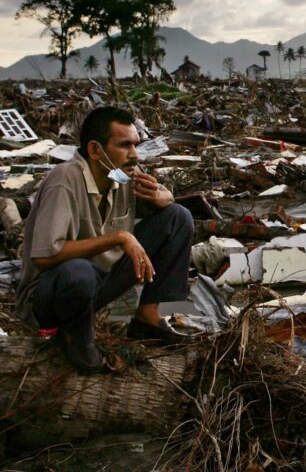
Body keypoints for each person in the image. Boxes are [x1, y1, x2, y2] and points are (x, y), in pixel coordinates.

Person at [15, 106, 194, 373]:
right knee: (78, 270)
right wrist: (119, 237)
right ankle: (75, 337)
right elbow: (44, 257)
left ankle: (149, 318)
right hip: (51, 296)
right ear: (95, 150)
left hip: (98, 285)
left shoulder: (119, 174)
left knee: (178, 217)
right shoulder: (64, 179)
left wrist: (161, 196)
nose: (134, 154)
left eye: (136, 145)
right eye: (125, 145)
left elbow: (166, 200)